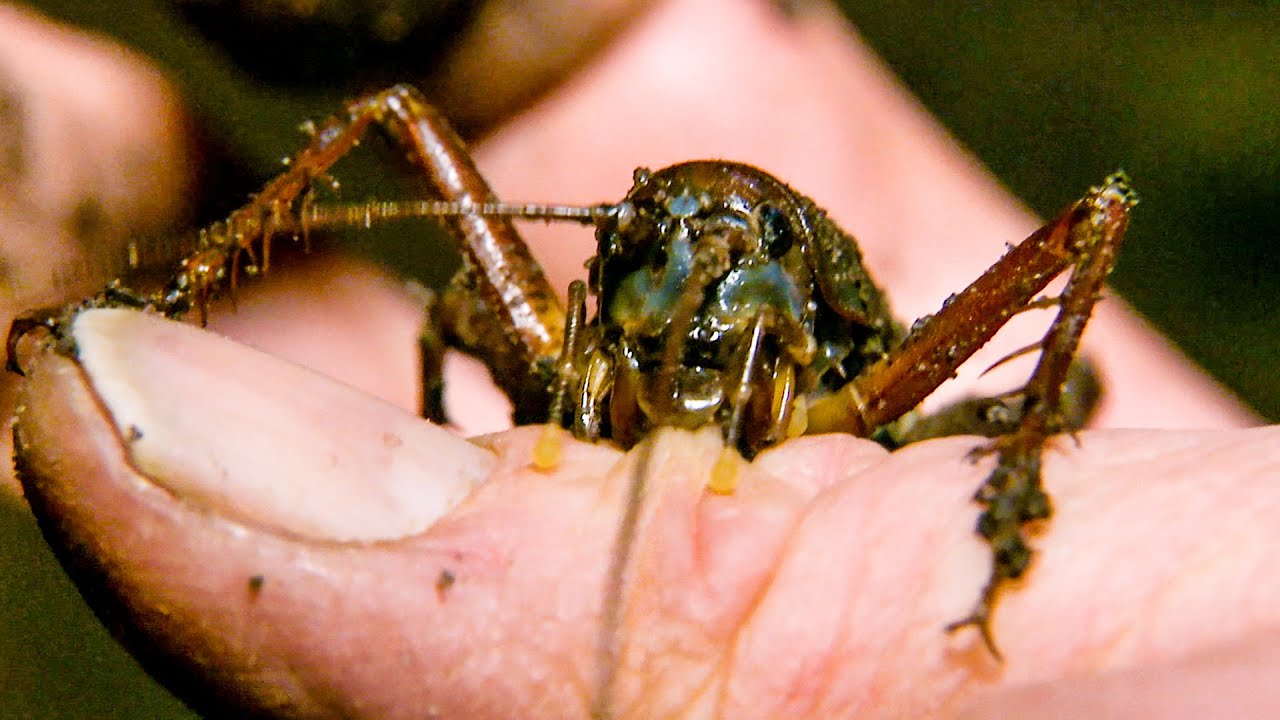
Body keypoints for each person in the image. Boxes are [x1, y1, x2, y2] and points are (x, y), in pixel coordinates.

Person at [4, 0, 1277, 717]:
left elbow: (1094, 218)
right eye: (666, 277)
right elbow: (412, 175)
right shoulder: (576, 322)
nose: (695, 324)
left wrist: (1015, 479)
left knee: (1085, 267)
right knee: (412, 164)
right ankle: (163, 288)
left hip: (852, 400)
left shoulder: (835, 364)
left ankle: (1008, 486)